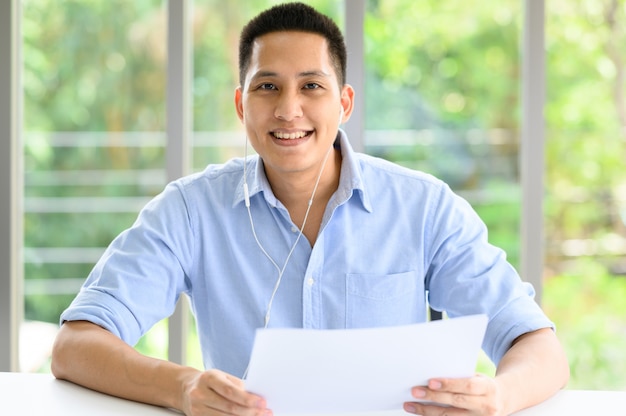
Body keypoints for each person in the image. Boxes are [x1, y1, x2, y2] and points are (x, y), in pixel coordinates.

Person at [51, 2, 569, 416]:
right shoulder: (190, 210)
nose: (288, 109)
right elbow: (76, 345)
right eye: (267, 86)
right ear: (241, 105)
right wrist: (182, 385)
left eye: (311, 86)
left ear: (343, 103)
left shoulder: (424, 206)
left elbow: (539, 349)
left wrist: (498, 397)